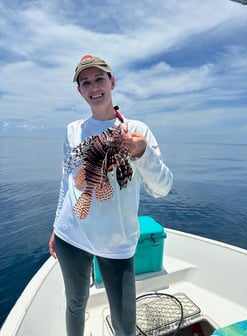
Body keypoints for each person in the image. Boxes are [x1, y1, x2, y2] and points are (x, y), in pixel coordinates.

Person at [48, 54, 173, 336]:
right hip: (71, 236)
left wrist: (141, 153)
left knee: (125, 323)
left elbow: (162, 188)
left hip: (117, 243)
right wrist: (56, 226)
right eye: (86, 82)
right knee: (75, 304)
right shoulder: (72, 130)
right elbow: (67, 184)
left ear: (112, 82)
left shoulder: (137, 131)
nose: (94, 87)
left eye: (99, 78)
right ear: (79, 90)